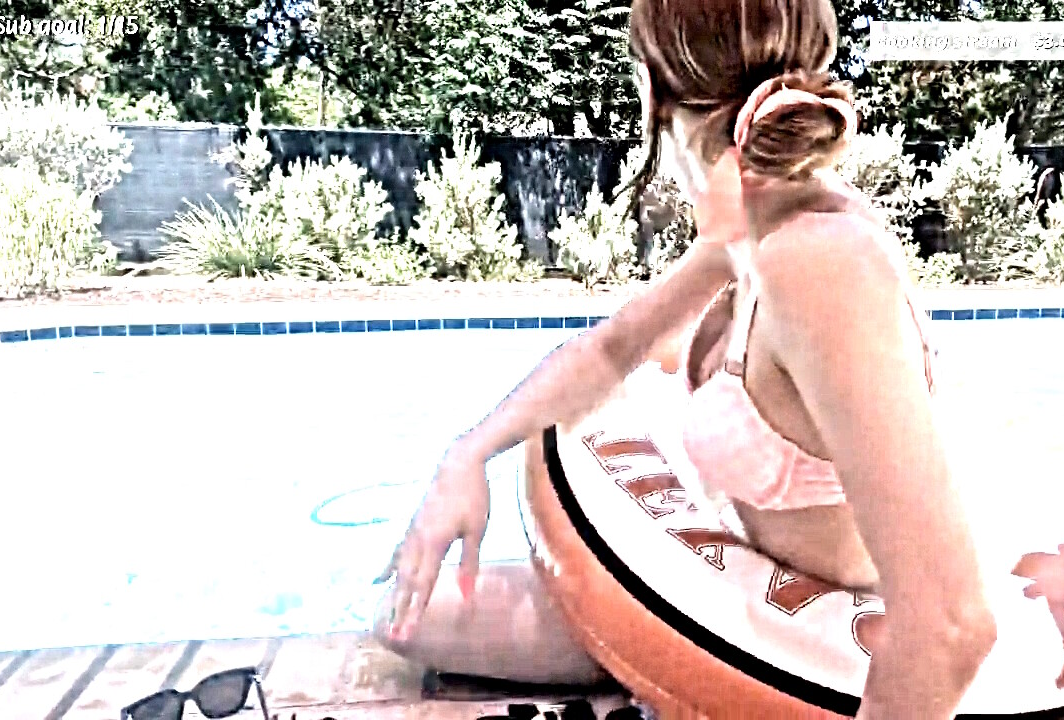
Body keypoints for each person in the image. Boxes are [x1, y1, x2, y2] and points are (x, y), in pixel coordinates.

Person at [375, 0, 998, 716]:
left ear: (652, 89)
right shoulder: (757, 222)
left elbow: (951, 625)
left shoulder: (821, 263)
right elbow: (612, 349)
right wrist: (466, 455)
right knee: (408, 614)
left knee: (422, 617)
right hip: (739, 583)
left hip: (821, 640)